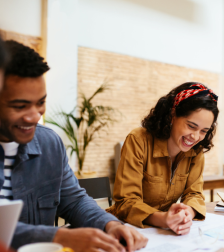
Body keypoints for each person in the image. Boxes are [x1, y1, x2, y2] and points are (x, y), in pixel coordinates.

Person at [0, 40, 148, 251]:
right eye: (20, 106)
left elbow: (74, 201)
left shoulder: (49, 144)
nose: (34, 116)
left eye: (41, 102)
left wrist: (110, 224)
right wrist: (59, 237)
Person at [107, 82, 219, 235]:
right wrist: (163, 219)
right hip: (127, 228)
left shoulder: (196, 150)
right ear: (173, 115)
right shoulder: (139, 140)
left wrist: (188, 212)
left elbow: (194, 193)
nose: (195, 137)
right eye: (191, 126)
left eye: (204, 131)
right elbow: (125, 202)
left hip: (165, 230)